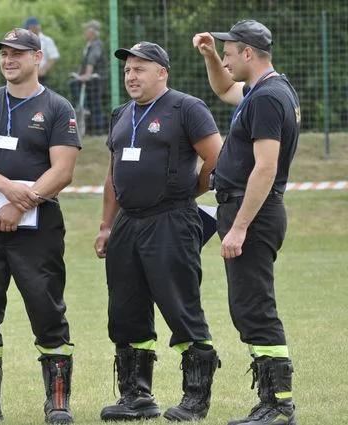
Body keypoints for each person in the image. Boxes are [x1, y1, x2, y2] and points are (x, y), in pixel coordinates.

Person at [0, 28, 81, 425]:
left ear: (37, 58)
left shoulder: (58, 107)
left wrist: (23, 206)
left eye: (18, 53)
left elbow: (63, 170)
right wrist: (9, 193)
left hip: (37, 228)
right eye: (4, 53)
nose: (9, 59)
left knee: (46, 307)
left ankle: (57, 400)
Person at [93, 41, 223, 422]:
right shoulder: (121, 113)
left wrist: (189, 190)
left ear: (161, 72)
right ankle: (136, 396)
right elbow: (112, 174)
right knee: (125, 311)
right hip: (127, 224)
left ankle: (195, 400)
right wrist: (106, 225)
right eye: (128, 70)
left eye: (140, 69)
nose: (131, 76)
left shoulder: (186, 108)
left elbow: (218, 158)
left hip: (171, 220)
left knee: (180, 306)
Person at [193, 19, 300, 425]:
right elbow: (223, 89)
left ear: (249, 53)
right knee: (247, 306)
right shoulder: (264, 90)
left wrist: (239, 226)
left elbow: (265, 168)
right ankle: (273, 401)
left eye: (229, 52)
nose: (226, 58)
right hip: (244, 211)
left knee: (255, 307)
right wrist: (208, 57)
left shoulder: (267, 98)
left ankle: (278, 405)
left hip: (252, 213)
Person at [69, 19, 107, 135]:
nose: (85, 32)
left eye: (87, 29)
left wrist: (87, 75)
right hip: (91, 77)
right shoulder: (90, 44)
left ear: (92, 31)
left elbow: (92, 60)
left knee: (95, 103)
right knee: (94, 102)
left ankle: (98, 130)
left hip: (95, 77)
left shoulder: (96, 44)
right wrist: (80, 73)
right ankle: (85, 110)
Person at [24, 17, 61, 86]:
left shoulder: (47, 40)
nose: (33, 29)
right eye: (30, 28)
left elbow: (53, 57)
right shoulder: (23, 41)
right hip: (25, 75)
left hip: (41, 76)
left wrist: (44, 70)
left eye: (35, 27)